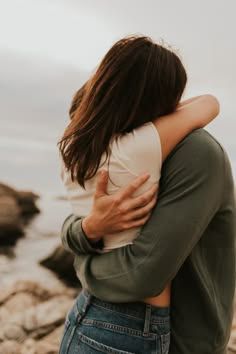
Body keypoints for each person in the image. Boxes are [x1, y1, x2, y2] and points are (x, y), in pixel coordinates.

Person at [58, 35, 236, 354]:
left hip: (137, 326)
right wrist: (90, 228)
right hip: (129, 326)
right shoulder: (136, 149)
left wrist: (83, 258)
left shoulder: (192, 153)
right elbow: (139, 274)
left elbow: (138, 273)